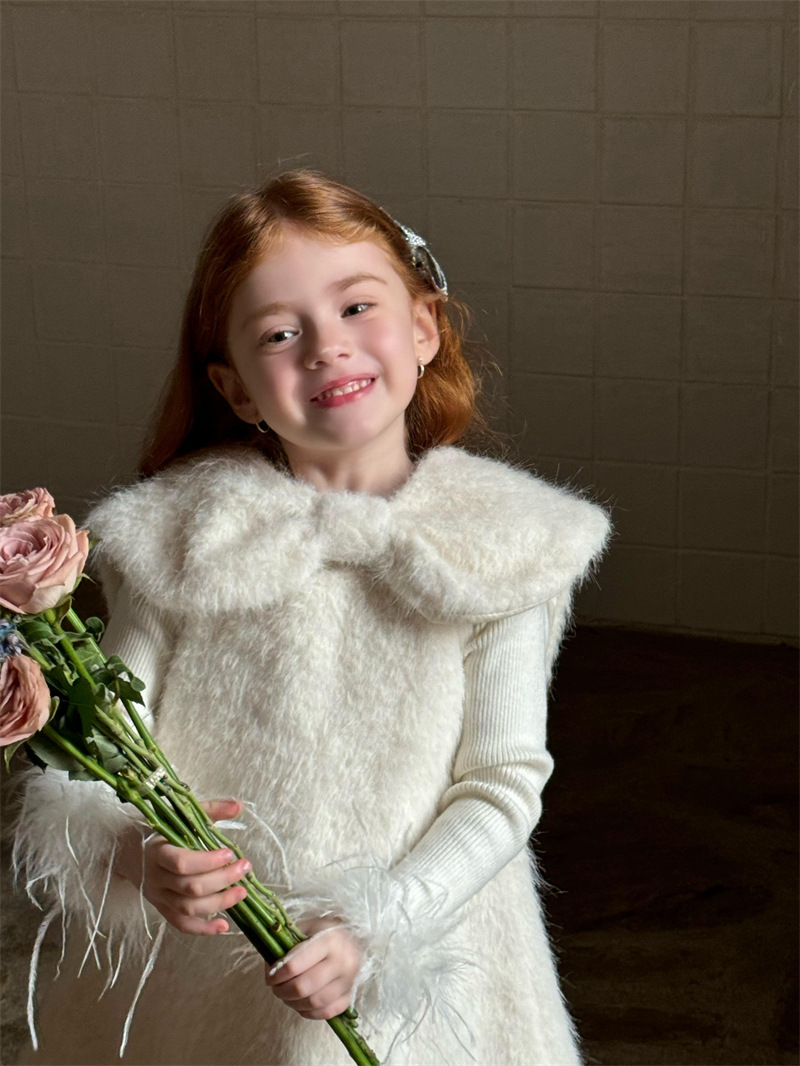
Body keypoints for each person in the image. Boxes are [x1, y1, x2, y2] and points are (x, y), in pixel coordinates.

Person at [11, 170, 610, 1066]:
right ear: (238, 390)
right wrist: (137, 856)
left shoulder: (508, 544)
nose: (328, 348)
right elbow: (103, 753)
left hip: (428, 949)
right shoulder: (178, 542)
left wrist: (382, 923)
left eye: (357, 308)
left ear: (423, 328)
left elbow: (501, 783)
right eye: (280, 334)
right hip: (196, 977)